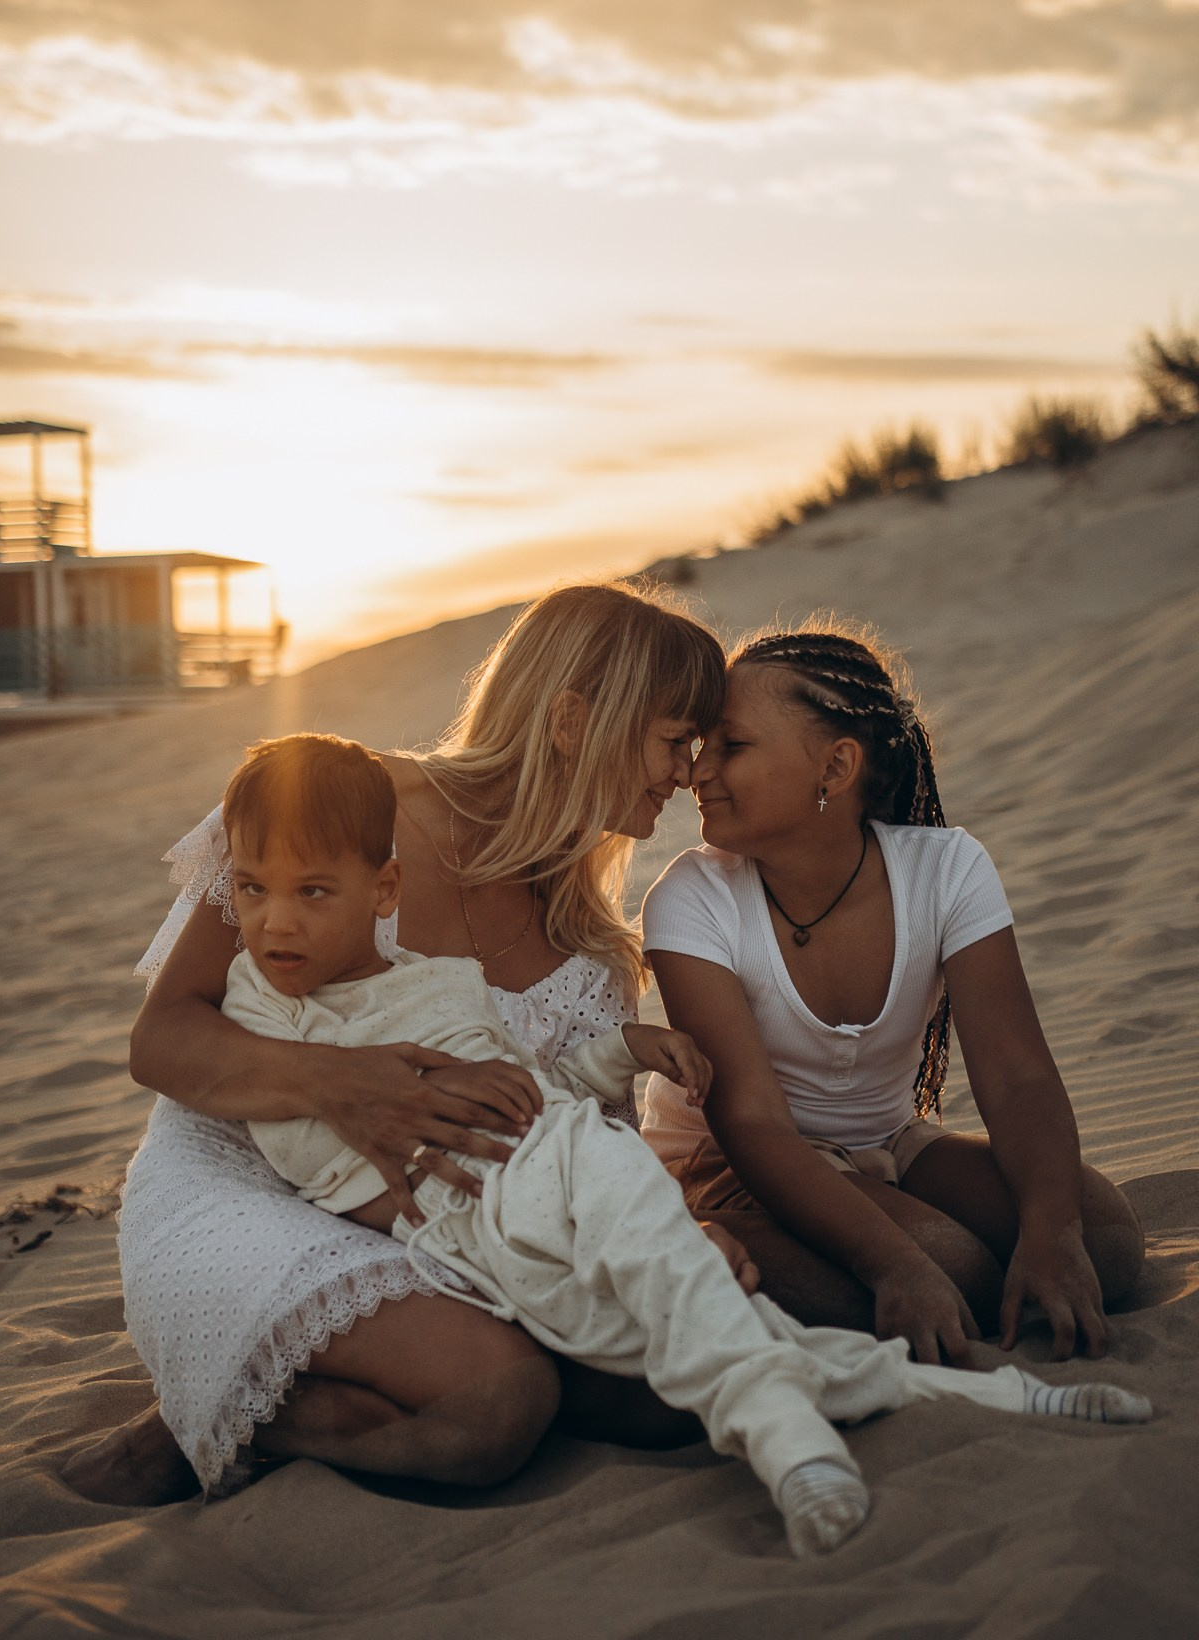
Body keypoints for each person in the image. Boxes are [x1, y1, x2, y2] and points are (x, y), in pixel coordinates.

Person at [228, 731, 1150, 1559]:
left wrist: (622, 1051)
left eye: (313, 892)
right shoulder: (261, 1010)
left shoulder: (437, 983)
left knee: (721, 1315)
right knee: (689, 1318)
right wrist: (411, 1142)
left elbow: (533, 1085)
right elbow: (313, 1152)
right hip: (488, 1216)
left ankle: (978, 1407)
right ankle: (815, 1437)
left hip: (575, 1160)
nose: (277, 921)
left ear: (384, 890)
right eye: (250, 890)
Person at [65, 582, 737, 1505]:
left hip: (446, 1222)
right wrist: (341, 1084)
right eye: (675, 738)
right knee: (502, 1409)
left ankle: (299, 1392)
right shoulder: (336, 802)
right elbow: (164, 1038)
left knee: (665, 1391)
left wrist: (675, 1234)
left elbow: (566, 1146)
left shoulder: (590, 953)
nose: (689, 770)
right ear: (577, 720)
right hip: (248, 1175)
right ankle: (214, 1410)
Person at [641, 624, 1146, 1368]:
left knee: (1102, 1238)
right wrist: (895, 1265)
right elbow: (754, 1123)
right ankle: (718, 1247)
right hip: (736, 1165)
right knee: (950, 1270)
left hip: (888, 1141)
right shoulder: (692, 897)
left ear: (835, 766)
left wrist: (1051, 1236)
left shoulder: (946, 871)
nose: (697, 772)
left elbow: (1017, 1079)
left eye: (732, 746)